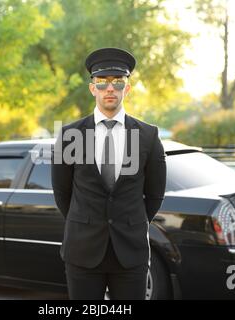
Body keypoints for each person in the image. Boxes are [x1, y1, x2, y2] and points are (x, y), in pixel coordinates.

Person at [51, 47, 167, 300]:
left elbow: (155, 194)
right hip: (82, 251)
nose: (110, 89)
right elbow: (62, 193)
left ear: (127, 88)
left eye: (118, 82)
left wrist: (130, 222)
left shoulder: (148, 135)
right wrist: (86, 221)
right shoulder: (70, 135)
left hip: (130, 253)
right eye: (102, 83)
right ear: (92, 88)